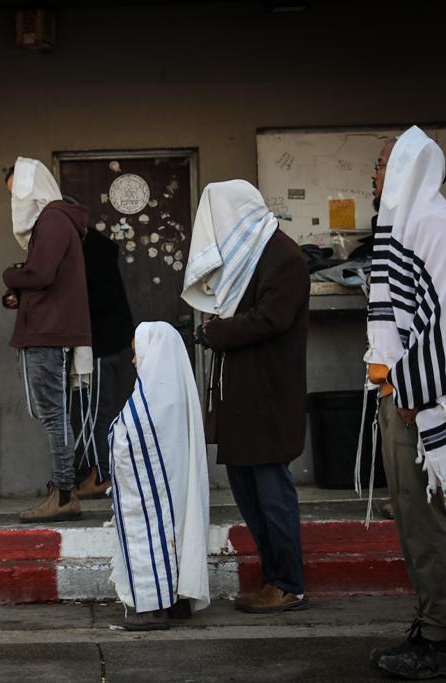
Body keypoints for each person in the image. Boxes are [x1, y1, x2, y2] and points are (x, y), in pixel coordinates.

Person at [365, 127, 446, 680]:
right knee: (411, 516)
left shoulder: (431, 223)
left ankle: (443, 640)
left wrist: (417, 398)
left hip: (421, 394)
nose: (374, 174)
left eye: (380, 163)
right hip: (403, 389)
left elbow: (441, 320)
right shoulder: (405, 222)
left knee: (422, 520)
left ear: (405, 168)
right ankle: (432, 625)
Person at [182, 179, 310, 614]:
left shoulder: (283, 255)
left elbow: (270, 318)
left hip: (268, 395)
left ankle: (288, 583)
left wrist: (212, 333)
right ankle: (273, 577)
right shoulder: (252, 255)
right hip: (243, 394)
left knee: (272, 492)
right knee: (249, 493)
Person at [2, 157, 93, 523]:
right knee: (55, 414)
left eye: (16, 195)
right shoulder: (57, 221)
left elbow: (40, 273)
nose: (15, 206)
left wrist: (11, 274)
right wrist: (18, 293)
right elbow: (45, 280)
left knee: (55, 415)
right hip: (49, 327)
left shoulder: (53, 220)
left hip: (48, 332)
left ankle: (65, 493)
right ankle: (62, 488)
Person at [109, 322, 210, 631]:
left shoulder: (152, 397)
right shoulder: (176, 392)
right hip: (175, 486)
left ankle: (153, 605)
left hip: (155, 496)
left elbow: (129, 435)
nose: (134, 360)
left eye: (137, 352)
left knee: (154, 530)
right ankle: (178, 598)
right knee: (179, 527)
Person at [72, 221, 136, 500]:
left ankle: (101, 476)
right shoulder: (98, 250)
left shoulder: (89, 254)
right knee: (98, 410)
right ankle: (98, 473)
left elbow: (88, 300)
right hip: (108, 344)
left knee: (96, 412)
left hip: (100, 344)